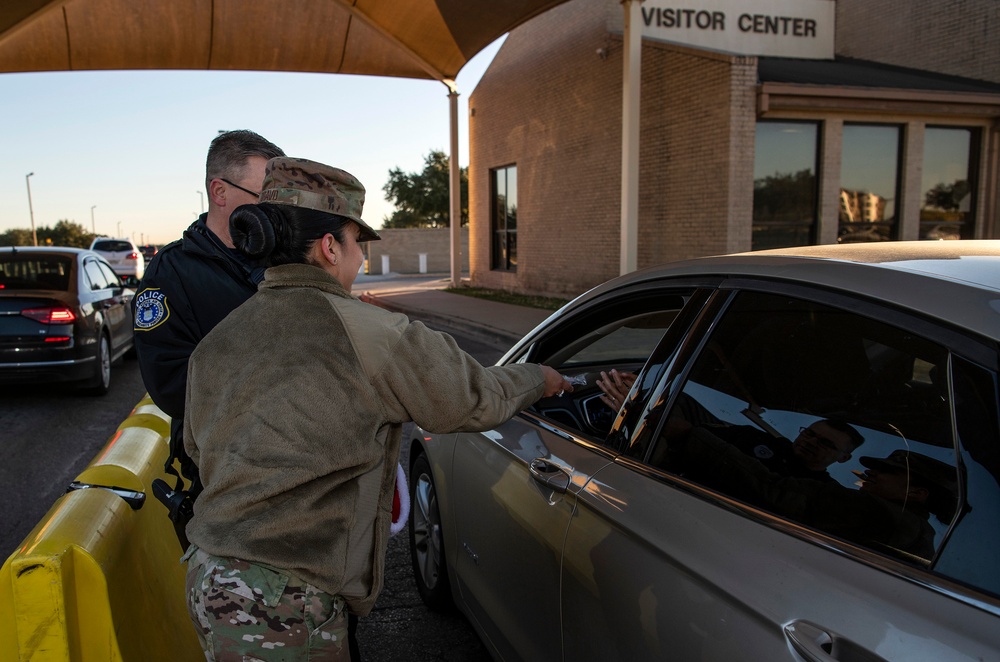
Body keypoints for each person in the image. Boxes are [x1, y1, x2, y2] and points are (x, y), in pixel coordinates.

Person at [181, 156, 573, 661]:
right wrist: (540, 378)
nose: (361, 260)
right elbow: (470, 398)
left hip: (207, 574)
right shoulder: (372, 333)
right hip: (279, 599)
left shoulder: (219, 339)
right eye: (356, 243)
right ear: (328, 247)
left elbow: (198, 445)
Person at [132, 129, 285, 534]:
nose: (274, 209)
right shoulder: (171, 274)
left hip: (297, 468)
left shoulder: (283, 263)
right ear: (219, 191)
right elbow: (170, 381)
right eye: (262, 196)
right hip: (226, 481)